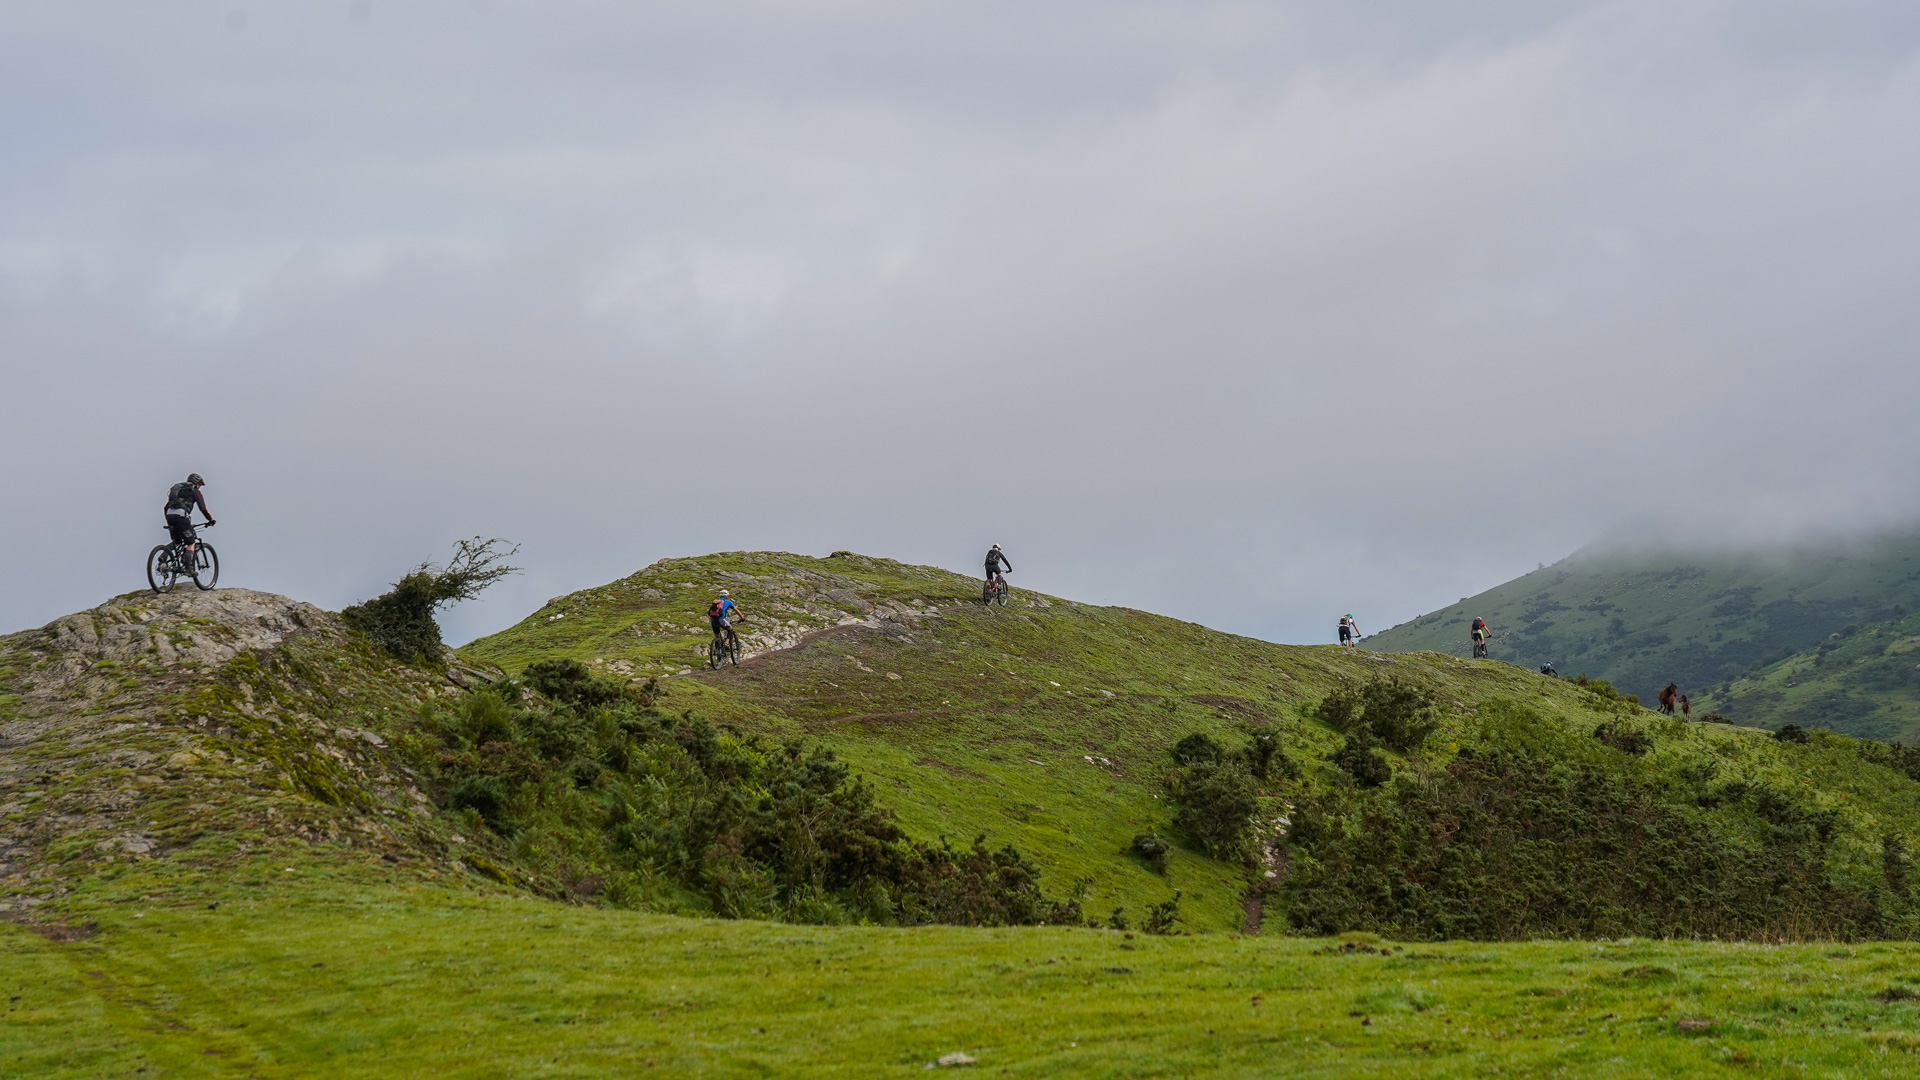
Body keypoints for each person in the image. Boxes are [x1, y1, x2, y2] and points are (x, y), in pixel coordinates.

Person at [164, 473, 215, 566]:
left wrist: (169, 520)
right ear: (196, 483)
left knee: (177, 541)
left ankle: (163, 556)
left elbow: (165, 507)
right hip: (181, 516)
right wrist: (210, 519)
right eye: (199, 485)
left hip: (169, 515)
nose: (199, 487)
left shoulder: (178, 489)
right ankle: (188, 567)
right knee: (191, 542)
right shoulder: (195, 490)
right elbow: (203, 508)